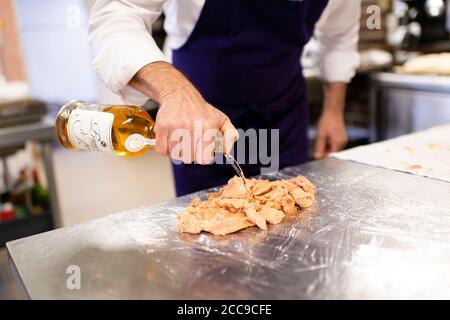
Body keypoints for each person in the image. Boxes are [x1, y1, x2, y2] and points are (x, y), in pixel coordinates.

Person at [88, 0, 361, 196]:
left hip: (283, 118)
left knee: (291, 229)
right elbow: (116, 14)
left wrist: (334, 111)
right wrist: (176, 92)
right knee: (207, 243)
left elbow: (339, 38)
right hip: (199, 128)